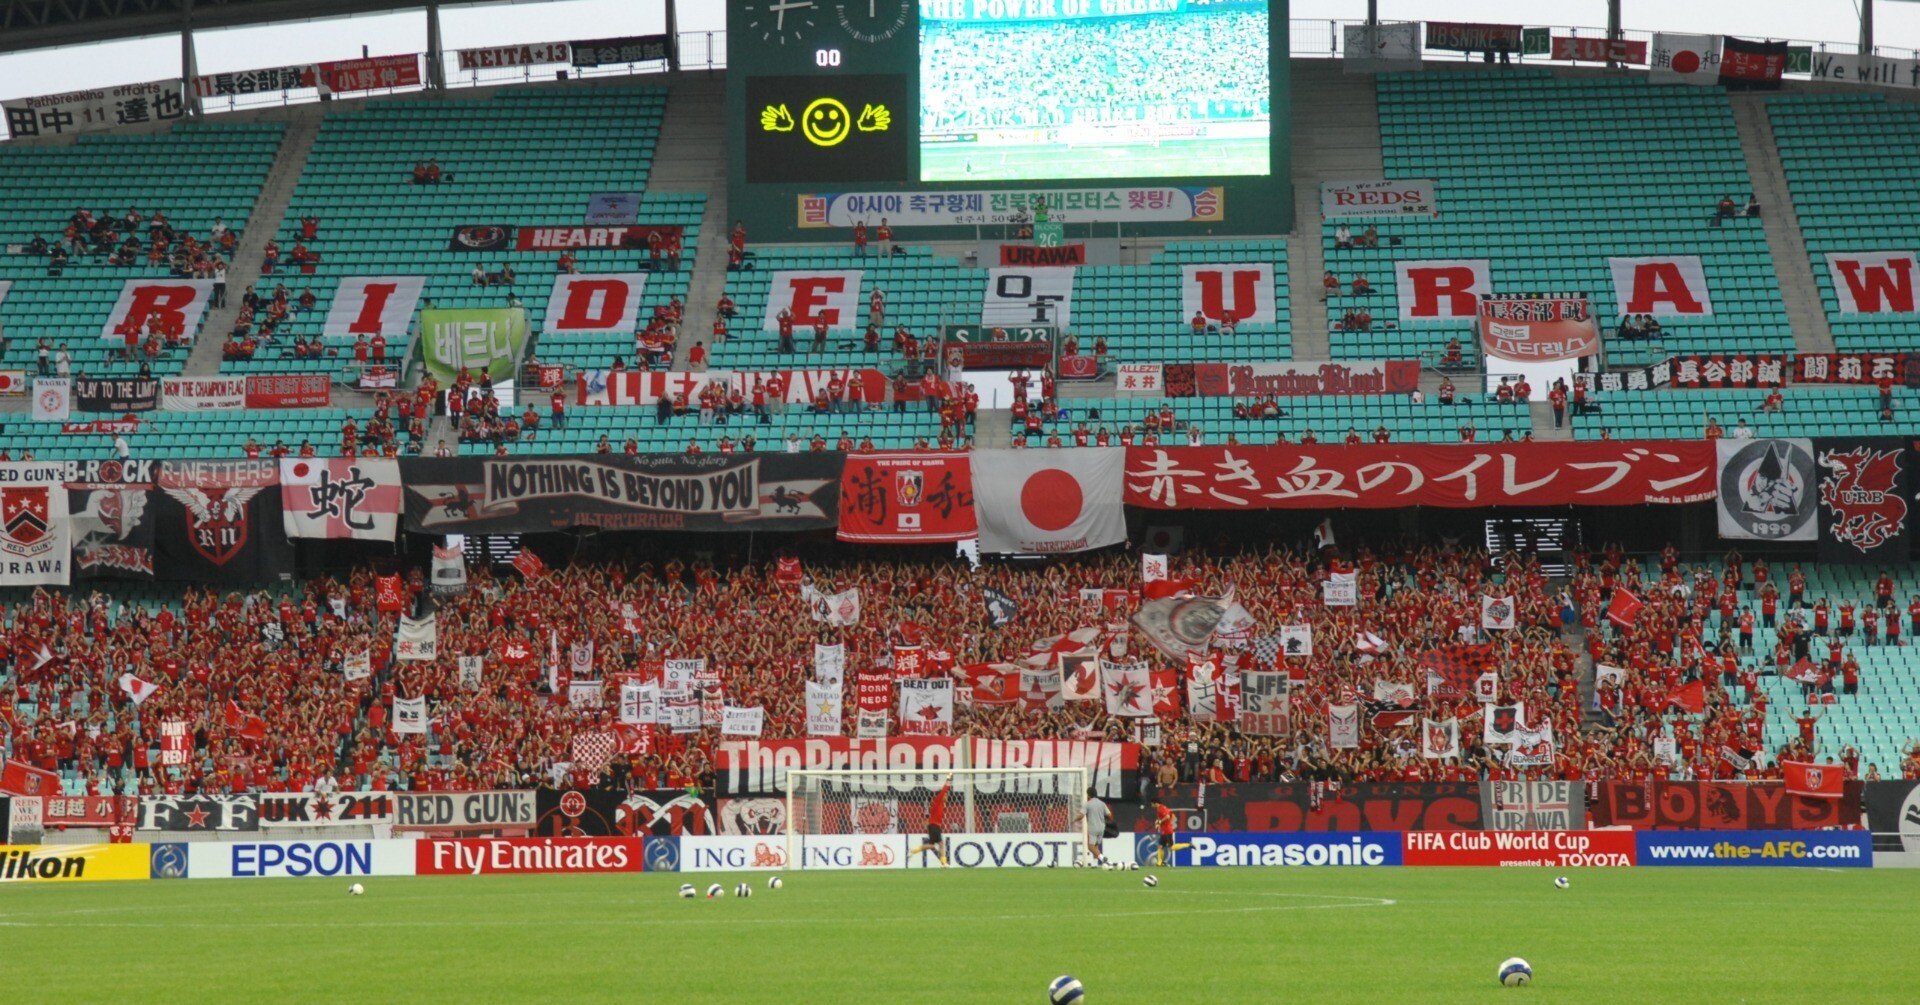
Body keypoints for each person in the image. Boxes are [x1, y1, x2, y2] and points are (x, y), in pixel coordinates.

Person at [910, 774, 953, 867]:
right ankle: (944, 863)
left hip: (933, 825)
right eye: (946, 795)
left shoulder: (941, 804)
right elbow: (944, 789)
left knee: (932, 845)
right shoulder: (938, 800)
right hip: (934, 825)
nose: (947, 796)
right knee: (940, 844)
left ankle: (913, 851)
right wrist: (949, 779)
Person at [1150, 800, 1189, 867]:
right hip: (1165, 830)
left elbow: (1167, 816)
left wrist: (1160, 822)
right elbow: (1173, 816)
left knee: (1171, 847)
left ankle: (1188, 844)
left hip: (1167, 831)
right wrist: (1164, 823)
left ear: (1155, 803)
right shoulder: (1163, 807)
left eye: (1152, 804)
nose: (1151, 805)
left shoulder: (1161, 808)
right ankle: (1159, 863)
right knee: (1160, 846)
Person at [1081, 788, 1111, 866]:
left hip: (1093, 827)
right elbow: (1109, 814)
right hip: (1101, 827)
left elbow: (1081, 814)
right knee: (1095, 846)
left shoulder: (1088, 804)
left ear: (1089, 795)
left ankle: (1102, 858)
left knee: (1090, 847)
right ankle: (1095, 864)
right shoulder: (1102, 803)